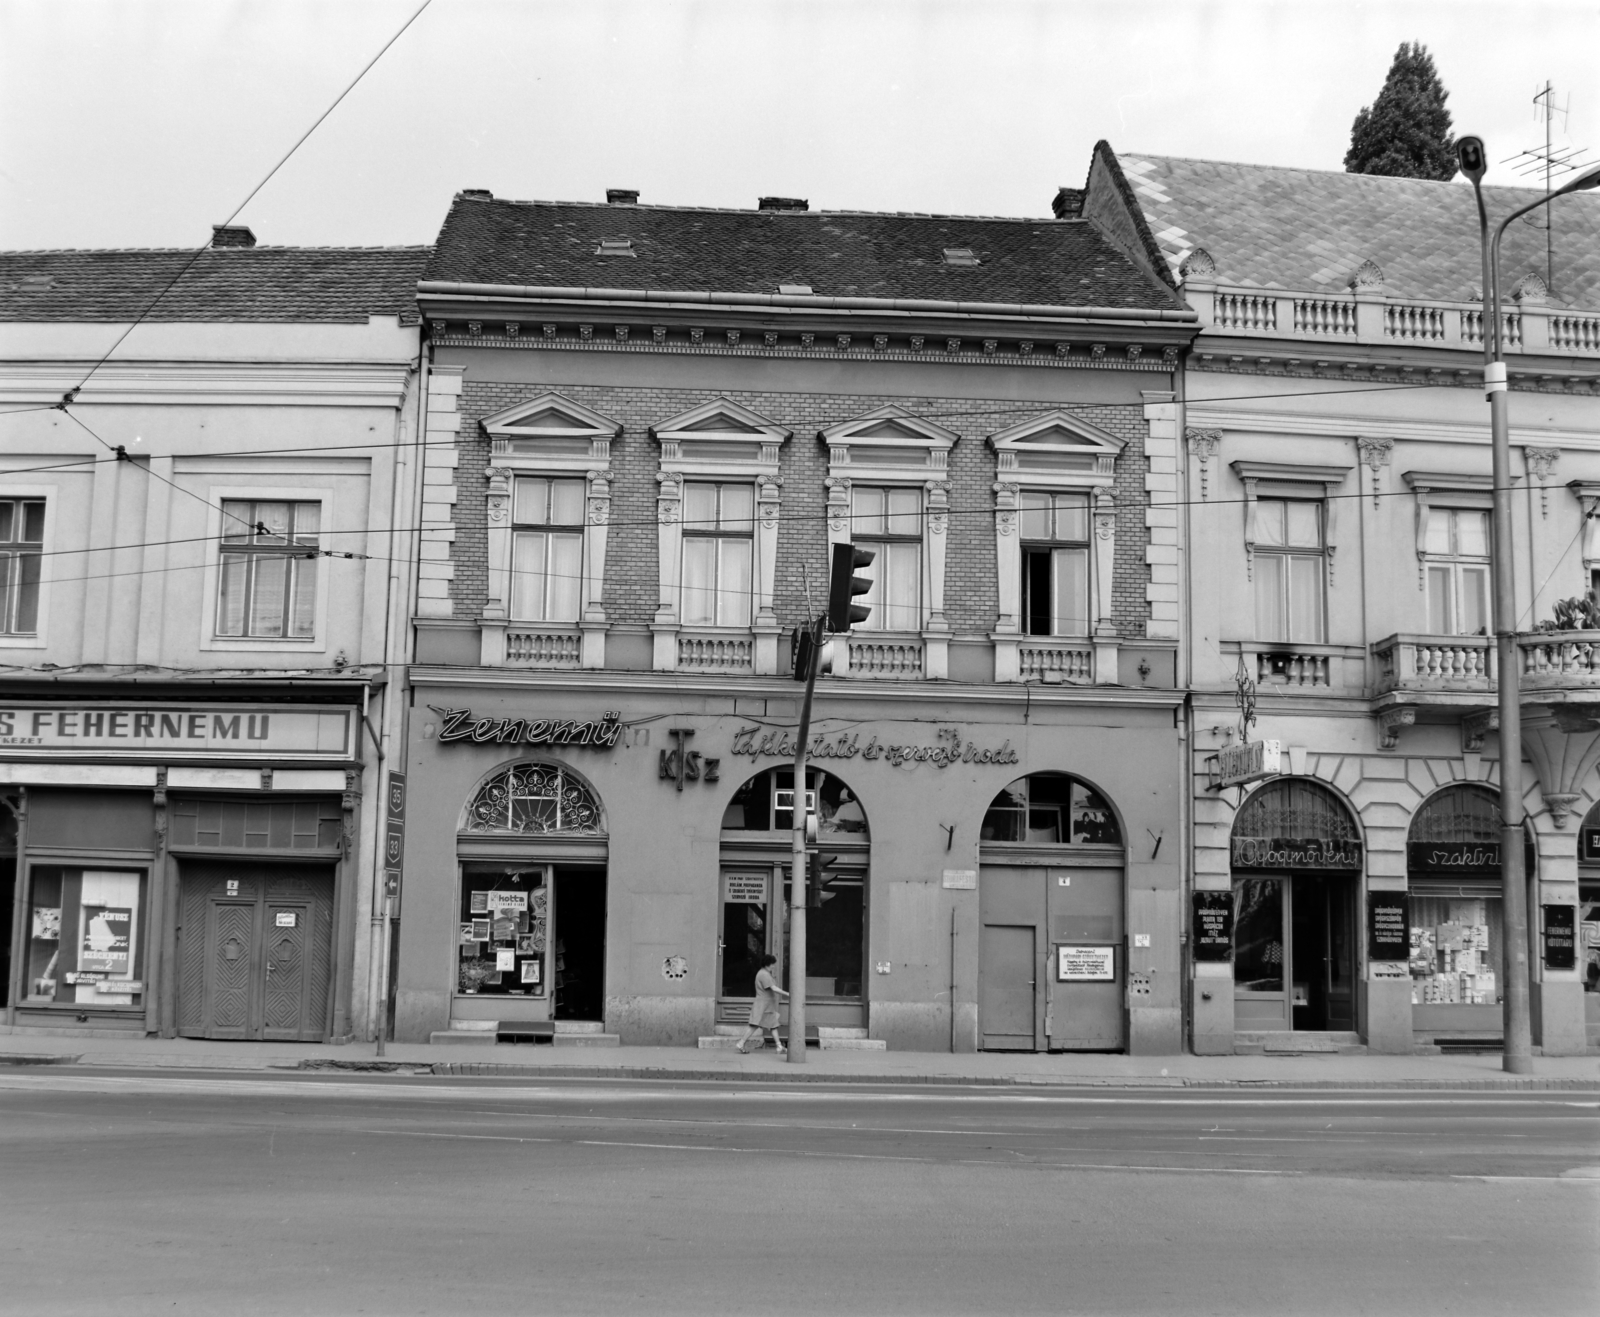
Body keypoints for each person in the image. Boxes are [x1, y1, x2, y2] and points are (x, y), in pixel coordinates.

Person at [737, 953, 788, 1053]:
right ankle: (741, 1043)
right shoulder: (764, 974)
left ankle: (779, 1046)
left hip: (766, 1005)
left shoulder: (764, 973)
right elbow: (773, 988)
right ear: (768, 964)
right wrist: (787, 993)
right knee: (755, 1025)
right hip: (763, 1005)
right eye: (772, 964)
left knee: (773, 1025)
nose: (774, 966)